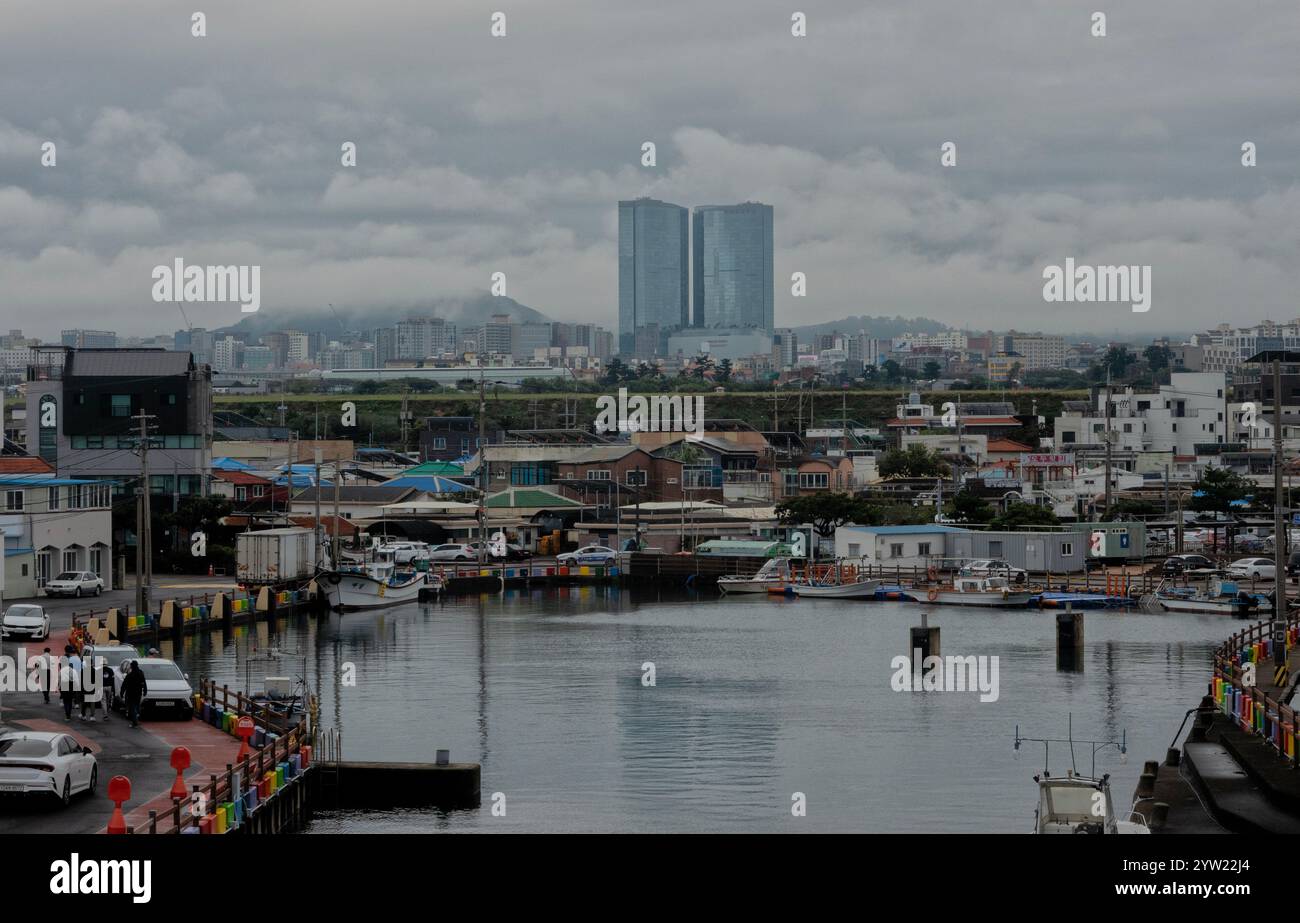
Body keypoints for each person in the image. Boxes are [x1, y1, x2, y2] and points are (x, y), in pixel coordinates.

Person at [121, 661, 147, 729]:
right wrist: (145, 690)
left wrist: (122, 692)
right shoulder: (141, 673)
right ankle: (136, 716)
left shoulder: (130, 674)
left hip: (131, 693)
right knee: (137, 706)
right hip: (138, 693)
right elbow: (144, 682)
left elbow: (124, 684)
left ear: (132, 666)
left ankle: (135, 722)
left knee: (132, 708)